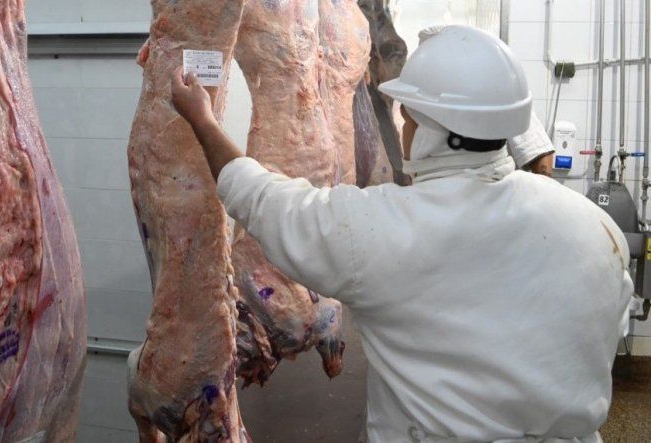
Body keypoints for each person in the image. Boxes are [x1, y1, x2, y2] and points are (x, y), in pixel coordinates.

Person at [171, 25, 634, 442]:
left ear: (438, 133)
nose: (402, 126)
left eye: (408, 118)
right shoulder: (598, 228)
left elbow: (265, 202)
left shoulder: (384, 228)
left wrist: (204, 121)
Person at [417, 25, 555, 178]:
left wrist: (536, 196)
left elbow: (539, 156)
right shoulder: (421, 102)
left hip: (494, 193)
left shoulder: (495, 96)